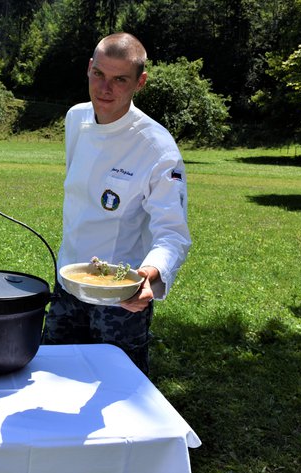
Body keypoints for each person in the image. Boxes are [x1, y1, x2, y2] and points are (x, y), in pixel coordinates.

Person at [42, 32, 191, 375]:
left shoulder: (156, 147)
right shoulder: (76, 118)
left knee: (118, 386)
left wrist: (149, 276)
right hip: (68, 281)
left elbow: (173, 233)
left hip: (121, 296)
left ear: (140, 82)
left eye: (119, 79)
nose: (105, 89)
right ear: (89, 68)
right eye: (99, 75)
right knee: (52, 378)